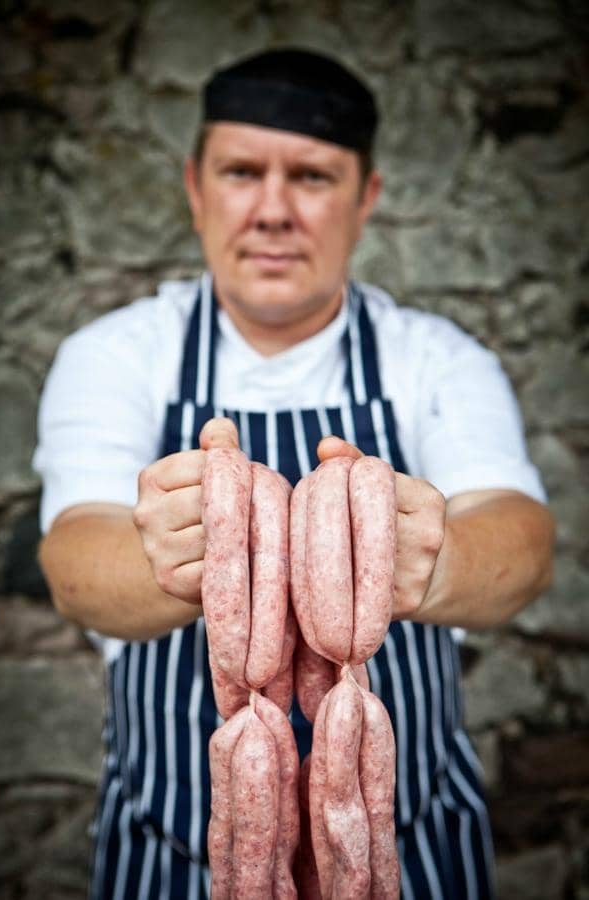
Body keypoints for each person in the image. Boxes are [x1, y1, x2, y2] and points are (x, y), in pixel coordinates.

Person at [35, 48, 554, 900]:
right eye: (243, 172)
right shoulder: (118, 356)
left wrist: (444, 558)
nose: (273, 211)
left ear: (366, 200)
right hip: (174, 858)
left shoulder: (435, 359)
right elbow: (73, 563)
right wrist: (170, 560)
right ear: (196, 188)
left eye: (312, 176)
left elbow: (523, 541)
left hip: (408, 853)